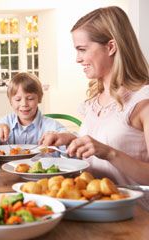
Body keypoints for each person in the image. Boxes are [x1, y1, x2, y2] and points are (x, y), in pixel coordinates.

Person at [39, 6, 149, 208]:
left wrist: (109, 153)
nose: (78, 59)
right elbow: (105, 144)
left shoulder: (143, 101)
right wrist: (72, 140)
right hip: (93, 210)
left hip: (134, 219)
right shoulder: (95, 100)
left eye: (82, 49)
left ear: (111, 47)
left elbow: (109, 150)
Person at [0, 72, 66, 146]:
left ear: (39, 98)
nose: (24, 104)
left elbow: (71, 145)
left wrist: (61, 138)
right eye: (18, 99)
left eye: (30, 98)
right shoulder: (4, 122)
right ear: (10, 101)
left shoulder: (52, 126)